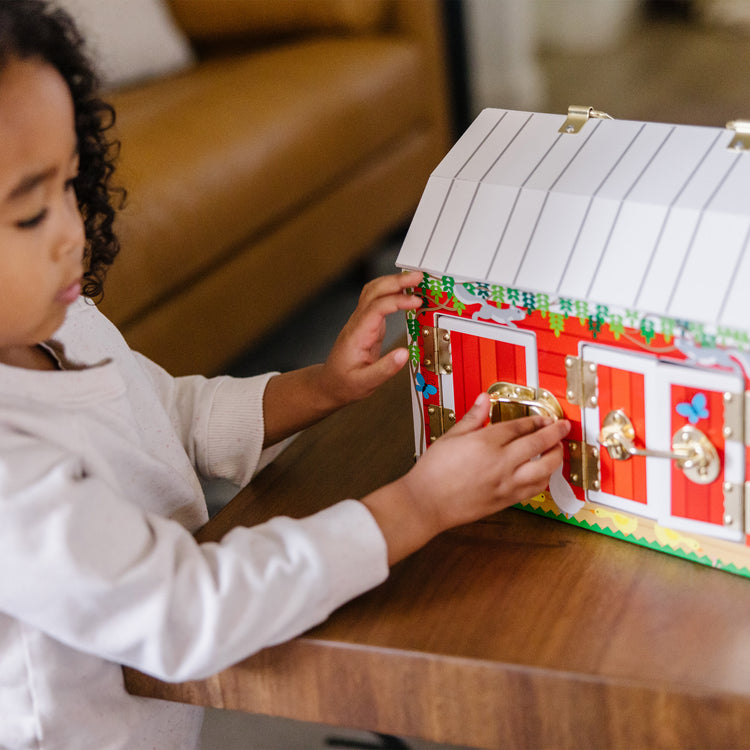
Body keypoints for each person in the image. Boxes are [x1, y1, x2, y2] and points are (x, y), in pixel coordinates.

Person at [0, 2, 571, 748]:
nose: (73, 231)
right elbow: (188, 610)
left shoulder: (57, 322)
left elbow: (163, 414)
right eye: (28, 215)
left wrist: (325, 387)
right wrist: (419, 505)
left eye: (71, 185)